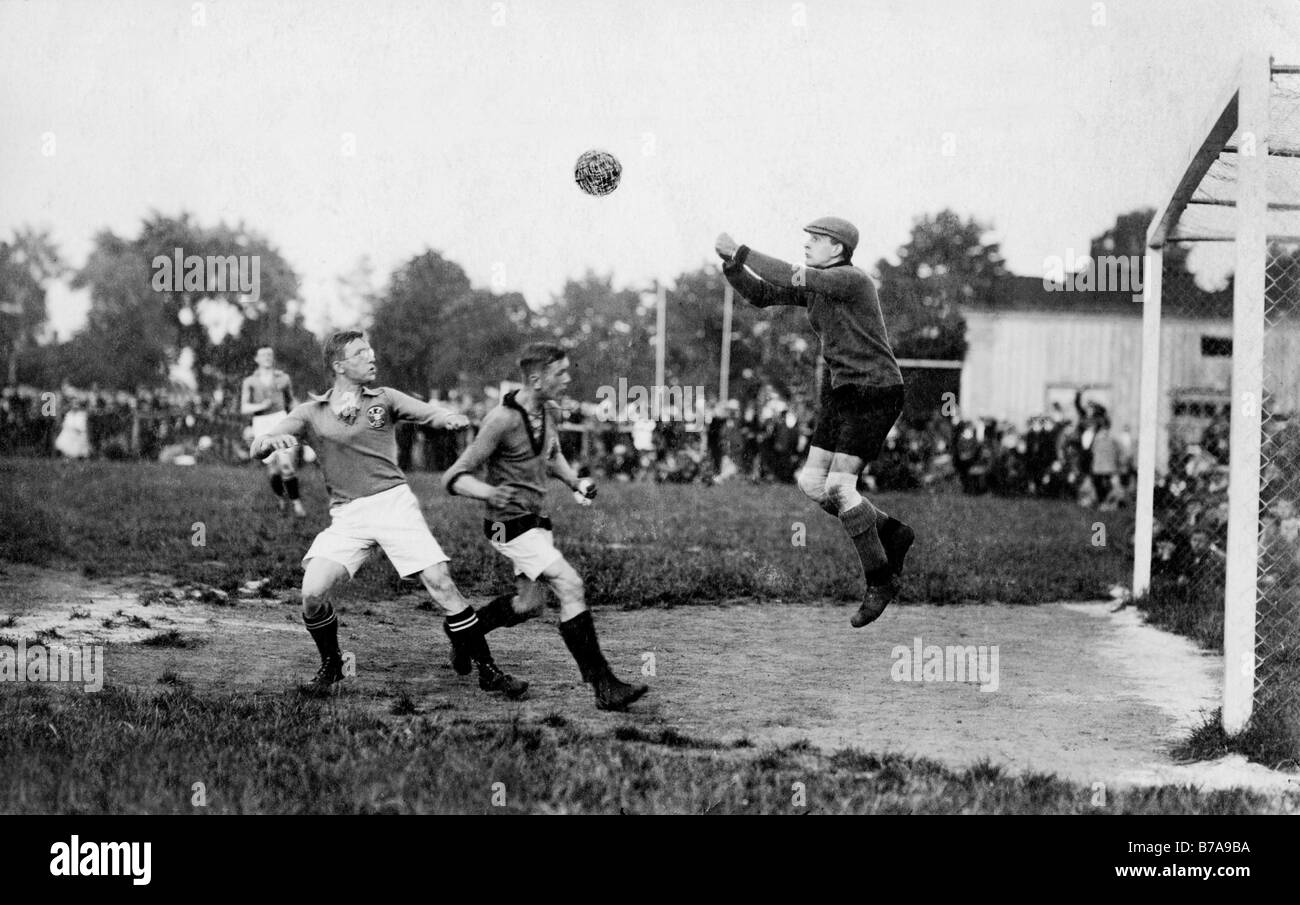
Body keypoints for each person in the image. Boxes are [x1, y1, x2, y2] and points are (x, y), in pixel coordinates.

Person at [251, 330, 526, 698]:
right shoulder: (310, 413)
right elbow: (260, 445)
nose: (371, 357)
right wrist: (268, 442)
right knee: (312, 593)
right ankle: (332, 664)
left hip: (394, 504)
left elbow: (429, 413)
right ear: (339, 366)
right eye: (361, 353)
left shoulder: (385, 399)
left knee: (440, 581)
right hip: (348, 516)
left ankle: (489, 671)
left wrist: (448, 418)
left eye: (371, 351)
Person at [715, 217, 913, 627]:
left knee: (841, 487)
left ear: (838, 250)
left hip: (876, 390)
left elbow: (787, 272)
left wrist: (743, 252)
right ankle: (892, 533)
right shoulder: (819, 288)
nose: (807, 244)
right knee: (812, 484)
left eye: (817, 239)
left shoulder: (852, 280)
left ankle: (879, 579)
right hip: (843, 392)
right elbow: (763, 294)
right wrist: (733, 268)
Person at [442, 342, 649, 711]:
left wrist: (575, 482)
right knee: (570, 585)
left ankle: (464, 633)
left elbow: (551, 455)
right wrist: (490, 491)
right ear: (536, 379)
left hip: (535, 521)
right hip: (507, 527)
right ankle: (604, 686)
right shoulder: (501, 420)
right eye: (561, 373)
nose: (568, 380)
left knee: (528, 605)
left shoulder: (549, 411)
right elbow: (454, 477)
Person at [242, 347, 306, 517]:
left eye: (270, 354)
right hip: (261, 423)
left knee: (286, 463)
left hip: (280, 420)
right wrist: (261, 406)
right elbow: (244, 407)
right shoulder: (250, 381)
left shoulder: (283, 378)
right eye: (263, 355)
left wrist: (300, 415)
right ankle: (280, 499)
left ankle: (297, 504)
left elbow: (291, 401)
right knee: (273, 468)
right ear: (256, 358)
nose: (267, 358)